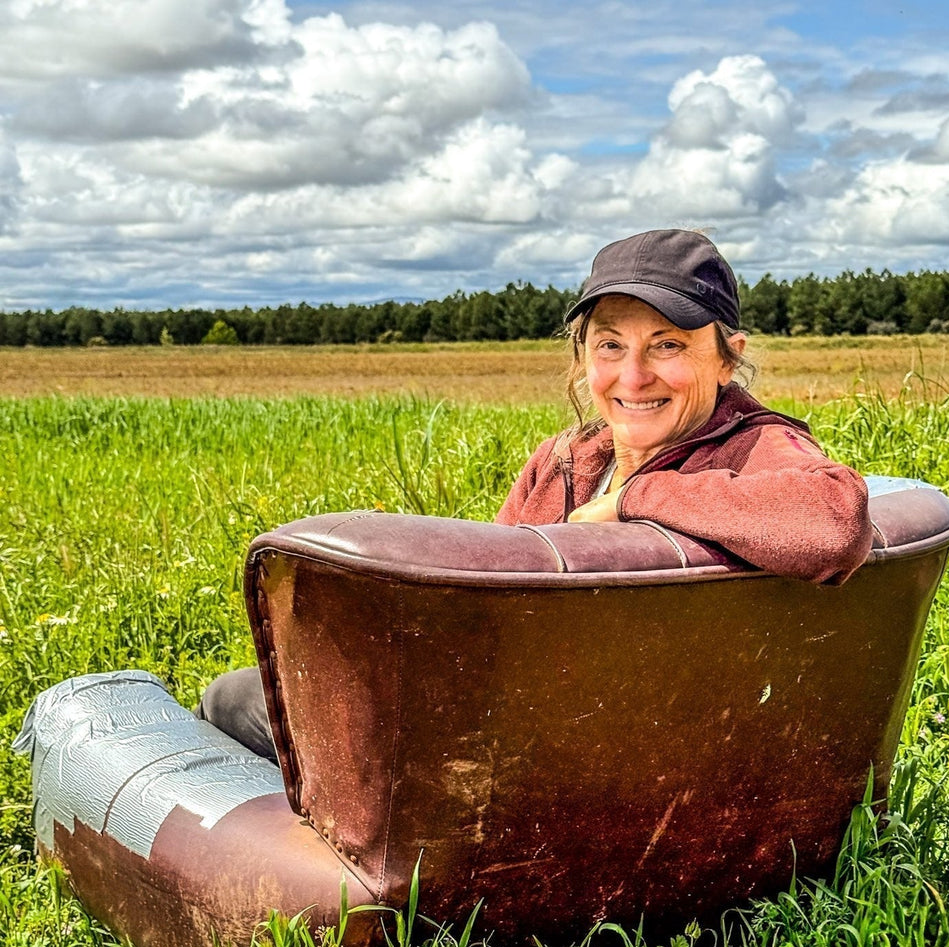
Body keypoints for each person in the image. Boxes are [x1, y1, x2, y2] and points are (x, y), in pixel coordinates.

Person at [198, 229, 872, 760]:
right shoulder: (564, 461)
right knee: (258, 688)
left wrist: (637, 498)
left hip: (584, 746)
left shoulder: (756, 448)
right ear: (584, 357)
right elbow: (484, 605)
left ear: (727, 357)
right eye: (610, 345)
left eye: (667, 345)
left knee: (231, 702)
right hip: (510, 716)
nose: (633, 376)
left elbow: (834, 522)